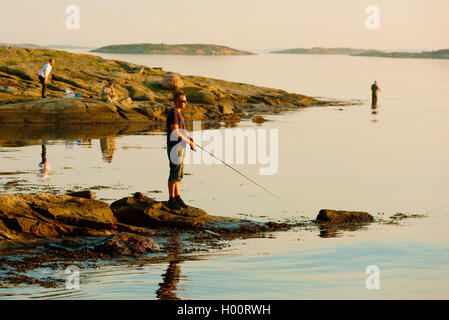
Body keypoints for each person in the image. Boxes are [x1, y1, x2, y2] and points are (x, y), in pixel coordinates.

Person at [166, 91, 195, 210]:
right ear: (177, 101)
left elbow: (181, 131)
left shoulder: (178, 113)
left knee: (179, 173)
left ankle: (177, 197)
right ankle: (171, 200)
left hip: (180, 147)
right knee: (174, 174)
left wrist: (189, 138)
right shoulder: (173, 113)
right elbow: (175, 132)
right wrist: (189, 142)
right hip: (175, 147)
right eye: (183, 101)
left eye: (186, 101)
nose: (185, 103)